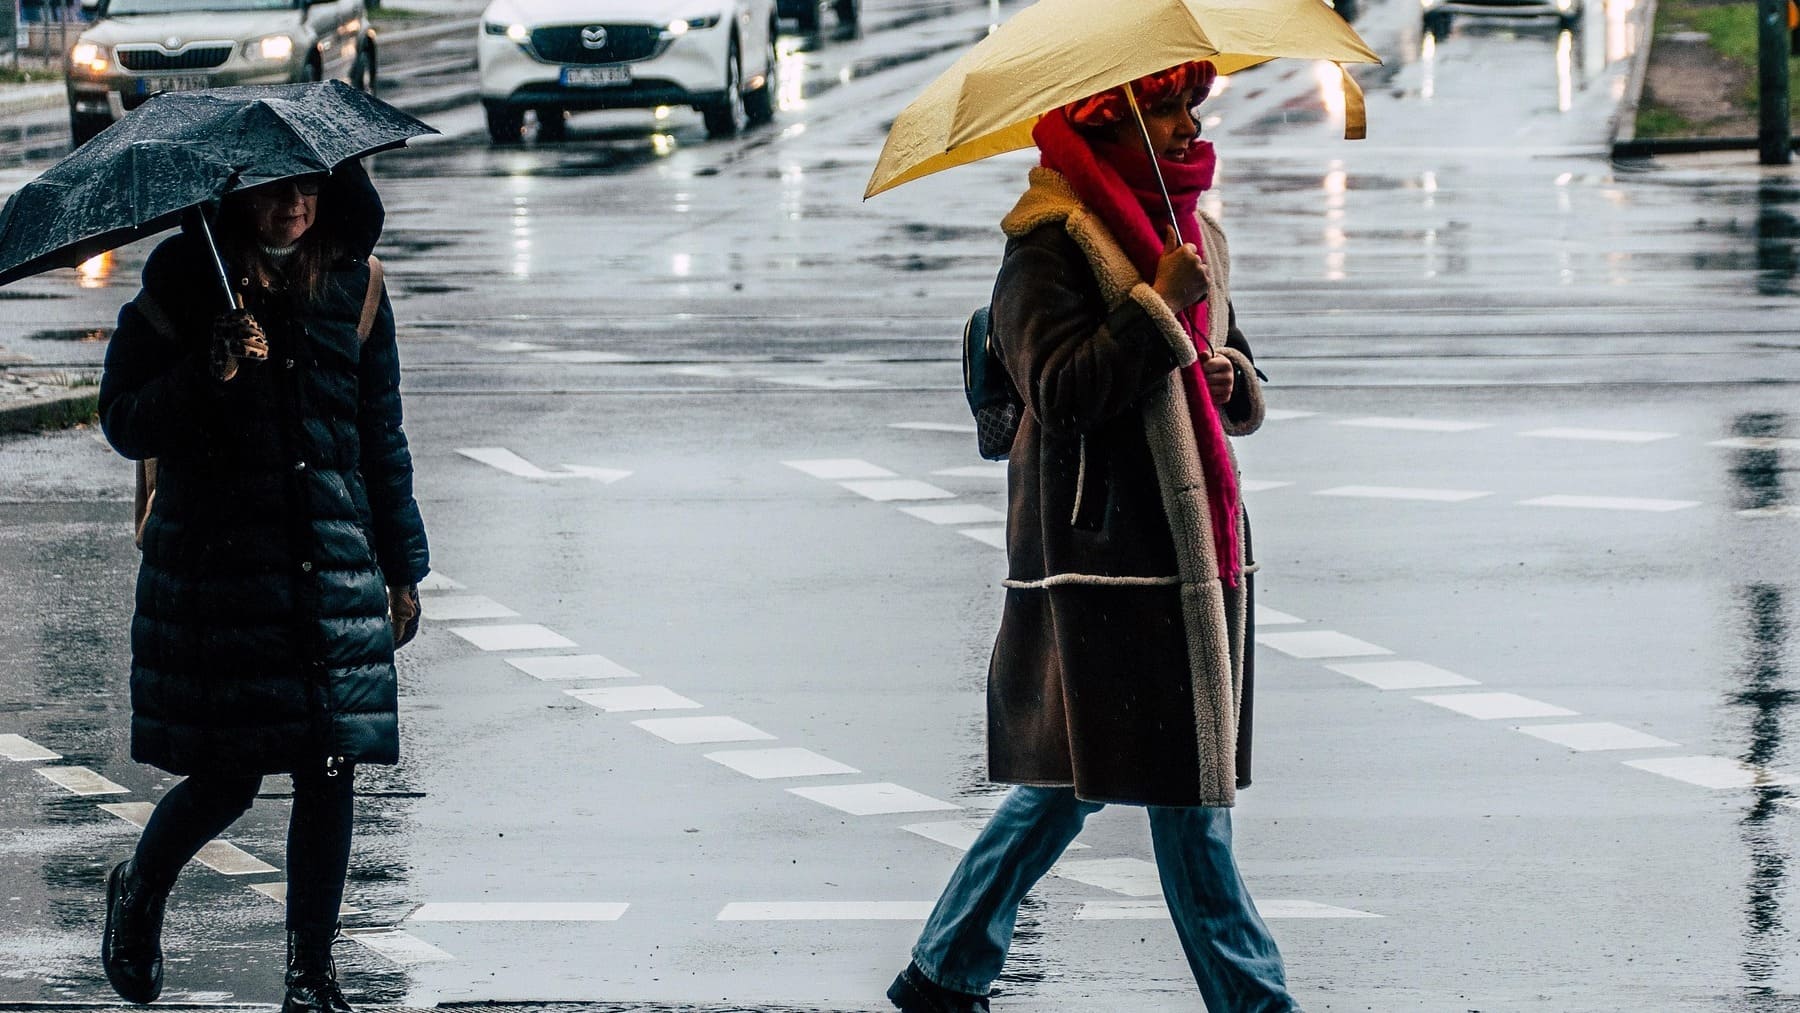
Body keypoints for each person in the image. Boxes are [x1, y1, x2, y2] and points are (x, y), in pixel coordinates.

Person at [887, 62, 1294, 1012]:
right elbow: (1061, 392)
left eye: (1193, 102)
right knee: (1187, 804)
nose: (1192, 123)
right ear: (1112, 121)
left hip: (1194, 551)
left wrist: (1232, 372)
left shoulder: (1191, 229)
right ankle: (1257, 1002)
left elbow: (1227, 351)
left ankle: (944, 969)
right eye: (1168, 105)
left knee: (1072, 781)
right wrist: (1155, 305)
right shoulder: (1049, 244)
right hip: (1105, 562)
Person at [95, 160, 428, 1013]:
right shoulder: (185, 277)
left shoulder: (356, 284)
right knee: (227, 776)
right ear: (240, 199)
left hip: (329, 567)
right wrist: (209, 369)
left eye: (310, 190)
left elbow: (378, 435)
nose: (295, 206)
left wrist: (403, 569)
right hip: (223, 576)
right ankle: (138, 892)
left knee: (329, 763)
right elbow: (125, 419)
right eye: (277, 191)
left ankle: (309, 979)